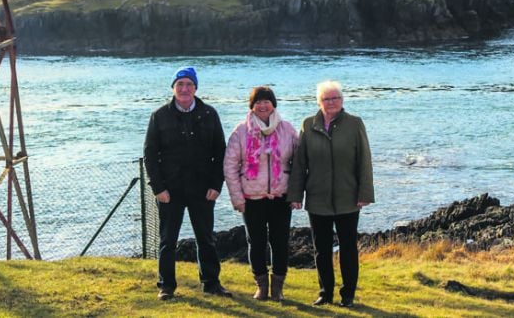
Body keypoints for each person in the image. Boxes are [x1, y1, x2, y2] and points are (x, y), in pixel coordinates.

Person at [143, 66, 231, 301]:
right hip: (170, 191)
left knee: (206, 239)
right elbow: (150, 155)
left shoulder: (209, 114)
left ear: (195, 88)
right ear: (173, 88)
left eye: (188, 84)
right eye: (180, 84)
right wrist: (158, 188)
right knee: (167, 241)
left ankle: (211, 283)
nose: (184, 89)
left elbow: (220, 152)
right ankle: (166, 286)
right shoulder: (159, 116)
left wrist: (216, 184)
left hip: (203, 189)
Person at [289, 80, 374, 308]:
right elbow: (299, 164)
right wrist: (295, 195)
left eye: (335, 98)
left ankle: (348, 295)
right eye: (327, 99)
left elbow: (364, 161)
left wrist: (365, 192)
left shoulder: (355, 124)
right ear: (319, 102)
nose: (331, 102)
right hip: (317, 198)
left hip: (348, 197)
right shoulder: (308, 125)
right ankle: (325, 293)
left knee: (348, 248)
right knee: (321, 249)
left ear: (342, 100)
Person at [223, 86, 299, 301]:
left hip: (280, 196)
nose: (263, 105)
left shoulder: (287, 129)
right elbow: (230, 166)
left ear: (273, 104)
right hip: (251, 198)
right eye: (258, 102)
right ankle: (261, 287)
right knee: (255, 242)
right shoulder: (240, 131)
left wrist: (295, 194)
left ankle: (277, 288)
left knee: (280, 242)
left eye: (267, 101)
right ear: (252, 106)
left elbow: (299, 163)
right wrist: (237, 198)